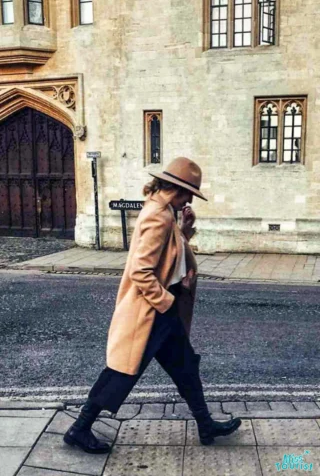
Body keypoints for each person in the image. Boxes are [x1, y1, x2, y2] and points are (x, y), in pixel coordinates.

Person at [63, 157, 241, 454]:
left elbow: (167, 255)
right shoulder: (159, 216)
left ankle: (205, 423)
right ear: (179, 191)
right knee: (121, 372)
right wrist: (167, 302)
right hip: (153, 310)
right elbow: (140, 271)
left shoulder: (163, 211)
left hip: (160, 309)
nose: (190, 200)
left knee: (185, 366)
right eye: (189, 194)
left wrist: (185, 229)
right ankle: (79, 429)